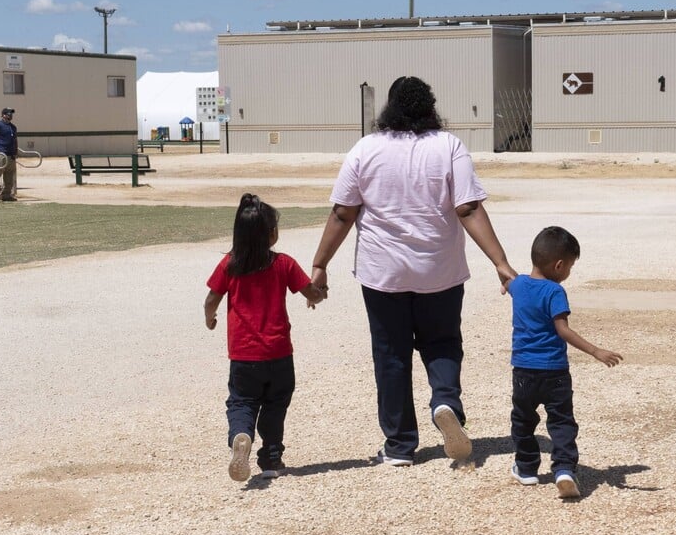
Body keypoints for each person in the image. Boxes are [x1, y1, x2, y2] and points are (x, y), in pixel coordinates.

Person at [310, 75, 516, 467]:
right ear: (430, 106)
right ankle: (445, 402)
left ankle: (400, 445)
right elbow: (468, 208)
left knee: (391, 354)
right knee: (441, 343)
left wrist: (320, 265)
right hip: (439, 270)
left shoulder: (365, 149)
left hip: (382, 272)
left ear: (390, 107)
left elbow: (343, 212)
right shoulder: (448, 146)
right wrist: (501, 263)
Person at [204, 193, 326, 482]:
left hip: (244, 356)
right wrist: (320, 294)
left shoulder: (229, 265)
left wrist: (210, 319)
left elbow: (211, 299)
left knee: (242, 402)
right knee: (275, 404)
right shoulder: (283, 263)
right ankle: (271, 458)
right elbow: (311, 293)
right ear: (272, 234)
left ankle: (241, 435)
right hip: (279, 353)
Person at [507, 226, 623, 498]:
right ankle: (563, 469)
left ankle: (526, 469)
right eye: (570, 266)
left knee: (523, 421)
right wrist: (595, 351)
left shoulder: (520, 284)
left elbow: (509, 283)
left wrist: (506, 283)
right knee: (561, 423)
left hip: (523, 371)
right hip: (555, 371)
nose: (569, 272)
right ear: (559, 265)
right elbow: (563, 330)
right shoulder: (554, 291)